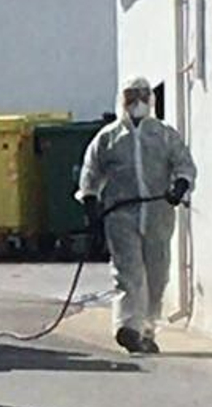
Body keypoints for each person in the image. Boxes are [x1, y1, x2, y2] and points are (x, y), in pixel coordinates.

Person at [76, 77, 196, 354]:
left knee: (157, 274)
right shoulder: (108, 138)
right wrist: (91, 203)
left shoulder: (165, 134)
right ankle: (128, 327)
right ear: (123, 100)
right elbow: (90, 174)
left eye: (143, 96)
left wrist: (179, 186)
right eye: (132, 96)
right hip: (121, 214)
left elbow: (184, 164)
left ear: (151, 100)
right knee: (127, 272)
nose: (138, 102)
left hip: (158, 212)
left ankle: (147, 328)